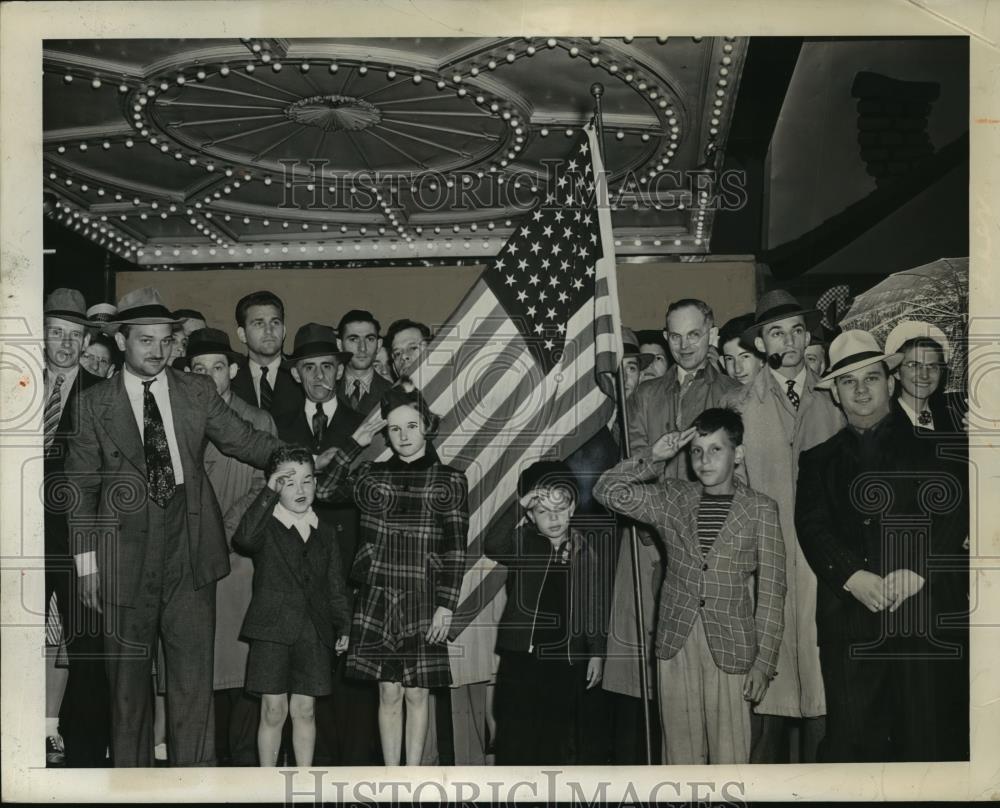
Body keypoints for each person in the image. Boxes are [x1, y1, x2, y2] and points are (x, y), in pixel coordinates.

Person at [65, 287, 283, 767]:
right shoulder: (92, 406)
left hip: (190, 554)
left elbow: (243, 439)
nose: (157, 351)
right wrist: (86, 567)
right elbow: (79, 494)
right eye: (146, 341)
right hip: (122, 560)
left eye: (165, 341)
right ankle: (132, 790)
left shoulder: (196, 392)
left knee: (192, 689)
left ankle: (195, 789)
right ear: (122, 342)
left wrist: (286, 455)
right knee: (127, 694)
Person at [796, 330, 968, 761]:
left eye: (871, 378)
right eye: (848, 381)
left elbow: (956, 515)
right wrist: (853, 577)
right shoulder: (817, 461)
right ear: (834, 393)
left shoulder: (940, 450)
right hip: (851, 625)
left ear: (890, 382)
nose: (860, 390)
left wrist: (916, 570)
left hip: (924, 621)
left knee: (929, 745)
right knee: (854, 749)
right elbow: (812, 527)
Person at [595, 409, 786, 764]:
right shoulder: (672, 498)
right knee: (679, 759)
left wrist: (763, 663)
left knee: (730, 760)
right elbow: (606, 491)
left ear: (738, 454)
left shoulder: (761, 509)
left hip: (731, 645)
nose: (704, 460)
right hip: (676, 641)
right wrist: (653, 456)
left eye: (716, 449)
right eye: (697, 451)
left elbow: (773, 592)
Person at [314, 381, 468, 766]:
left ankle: (412, 778)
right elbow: (324, 489)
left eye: (411, 426)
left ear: (426, 426)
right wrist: (355, 441)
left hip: (424, 597)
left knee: (417, 693)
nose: (403, 436)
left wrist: (446, 605)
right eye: (394, 428)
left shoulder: (449, 479)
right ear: (385, 432)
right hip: (378, 596)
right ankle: (391, 776)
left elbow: (456, 547)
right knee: (388, 692)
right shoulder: (370, 474)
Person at [723, 290, 845, 763]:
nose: (790, 340)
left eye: (798, 329)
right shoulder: (740, 408)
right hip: (766, 567)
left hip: (825, 566)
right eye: (777, 331)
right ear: (760, 342)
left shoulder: (834, 398)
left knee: (823, 696)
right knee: (763, 700)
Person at [274, 322, 377, 764]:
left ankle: (354, 769)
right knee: (303, 673)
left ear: (340, 371)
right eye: (309, 368)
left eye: (327, 368)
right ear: (295, 374)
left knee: (350, 670)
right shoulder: (280, 426)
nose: (319, 377)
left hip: (350, 562)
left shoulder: (365, 428)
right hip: (296, 567)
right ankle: (310, 768)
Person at [185, 327, 277, 766]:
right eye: (198, 369)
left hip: (238, 560)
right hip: (186, 564)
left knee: (241, 670)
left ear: (234, 370)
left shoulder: (257, 421)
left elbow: (265, 485)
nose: (208, 378)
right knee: (195, 668)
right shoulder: (176, 419)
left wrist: (220, 532)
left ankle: (242, 765)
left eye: (217, 368)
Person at [485, 460, 610, 765]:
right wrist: (520, 504)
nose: (553, 518)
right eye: (542, 511)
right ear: (530, 515)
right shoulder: (522, 543)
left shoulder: (585, 552)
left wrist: (596, 652)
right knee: (515, 735)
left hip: (564, 661)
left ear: (571, 509)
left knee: (556, 738)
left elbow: (593, 606)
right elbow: (492, 543)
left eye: (560, 508)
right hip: (521, 658)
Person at [233, 447, 351, 767]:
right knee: (273, 710)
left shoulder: (325, 532)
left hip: (313, 630)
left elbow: (336, 585)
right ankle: (268, 783)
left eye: (307, 481)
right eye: (289, 482)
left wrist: (344, 626)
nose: (300, 490)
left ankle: (303, 783)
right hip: (271, 630)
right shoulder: (265, 525)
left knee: (305, 710)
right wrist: (268, 492)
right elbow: (243, 539)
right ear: (275, 486)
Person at [41, 288, 110, 767]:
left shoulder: (100, 393)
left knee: (86, 649)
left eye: (74, 335)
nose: (66, 345)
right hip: (19, 539)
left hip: (76, 540)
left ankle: (87, 758)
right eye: (56, 333)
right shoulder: (13, 384)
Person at [627, 298, 742, 476]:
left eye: (693, 335)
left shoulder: (735, 392)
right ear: (666, 337)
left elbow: (739, 470)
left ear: (711, 335)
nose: (683, 346)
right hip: (657, 501)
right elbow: (632, 463)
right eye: (675, 337)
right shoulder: (644, 395)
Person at [230, 290, 304, 420]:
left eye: (275, 322)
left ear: (284, 331)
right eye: (259, 323)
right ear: (242, 334)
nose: (269, 330)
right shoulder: (230, 380)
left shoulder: (303, 372)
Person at [883, 320, 965, 433]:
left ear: (941, 372)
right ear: (896, 372)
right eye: (914, 365)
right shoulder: (882, 425)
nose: (924, 375)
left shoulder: (957, 417)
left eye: (932, 366)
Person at [336, 309, 392, 414]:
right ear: (339, 345)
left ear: (378, 345)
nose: (362, 348)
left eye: (369, 339)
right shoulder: (326, 388)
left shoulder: (392, 394)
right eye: (353, 339)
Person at [718, 313, 765, 387]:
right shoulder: (723, 396)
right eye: (729, 359)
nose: (737, 369)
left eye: (745, 356)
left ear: (762, 359)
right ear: (723, 363)